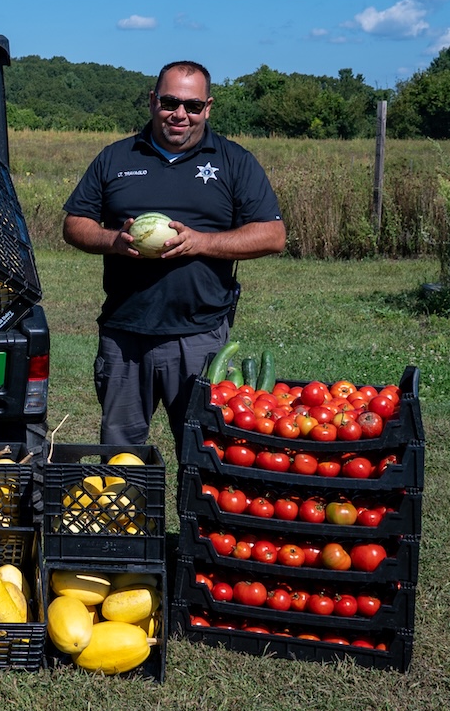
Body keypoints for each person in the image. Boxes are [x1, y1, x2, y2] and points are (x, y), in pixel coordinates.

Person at [61, 60, 285, 448]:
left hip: (200, 336)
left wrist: (200, 242)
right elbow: (74, 224)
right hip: (125, 335)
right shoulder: (117, 158)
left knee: (204, 452)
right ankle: (123, 492)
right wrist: (113, 241)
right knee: (120, 452)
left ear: (207, 108)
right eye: (169, 102)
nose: (180, 114)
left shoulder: (233, 161)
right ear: (153, 101)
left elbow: (272, 235)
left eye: (192, 105)